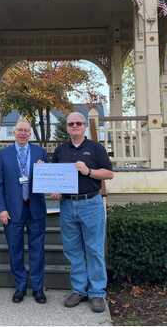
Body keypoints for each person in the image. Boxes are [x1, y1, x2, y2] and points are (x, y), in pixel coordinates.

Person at [50, 112, 114, 313]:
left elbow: (109, 173)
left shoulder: (96, 148)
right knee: (73, 250)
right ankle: (79, 289)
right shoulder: (60, 150)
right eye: (71, 123)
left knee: (94, 248)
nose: (75, 126)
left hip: (91, 204)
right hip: (68, 205)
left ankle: (97, 293)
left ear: (84, 126)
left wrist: (88, 171)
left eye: (78, 123)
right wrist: (56, 190)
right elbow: (54, 177)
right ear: (67, 127)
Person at [0, 120, 48, 304]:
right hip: (12, 211)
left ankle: (38, 288)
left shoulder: (40, 152)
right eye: (20, 130)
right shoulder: (3, 155)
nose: (23, 133)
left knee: (37, 251)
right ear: (14, 132)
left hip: (36, 209)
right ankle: (20, 286)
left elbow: (48, 179)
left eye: (26, 130)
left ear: (30, 133)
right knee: (15, 250)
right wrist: (1, 209)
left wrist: (45, 173)